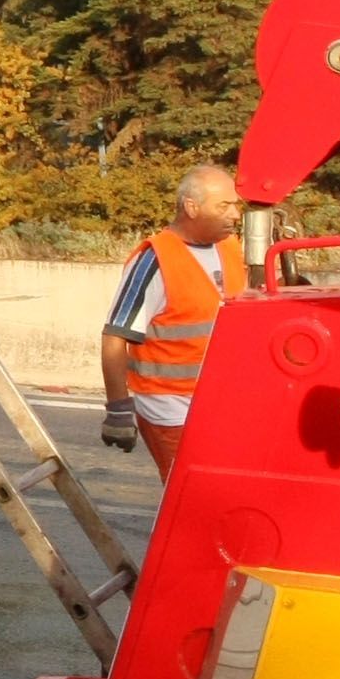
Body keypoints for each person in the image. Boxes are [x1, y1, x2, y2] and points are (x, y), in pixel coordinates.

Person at [100, 163, 252, 482]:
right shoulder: (155, 259)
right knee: (188, 495)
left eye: (235, 205)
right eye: (223, 205)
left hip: (219, 398)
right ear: (191, 207)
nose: (235, 214)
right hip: (169, 405)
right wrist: (118, 409)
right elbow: (115, 336)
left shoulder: (229, 247)